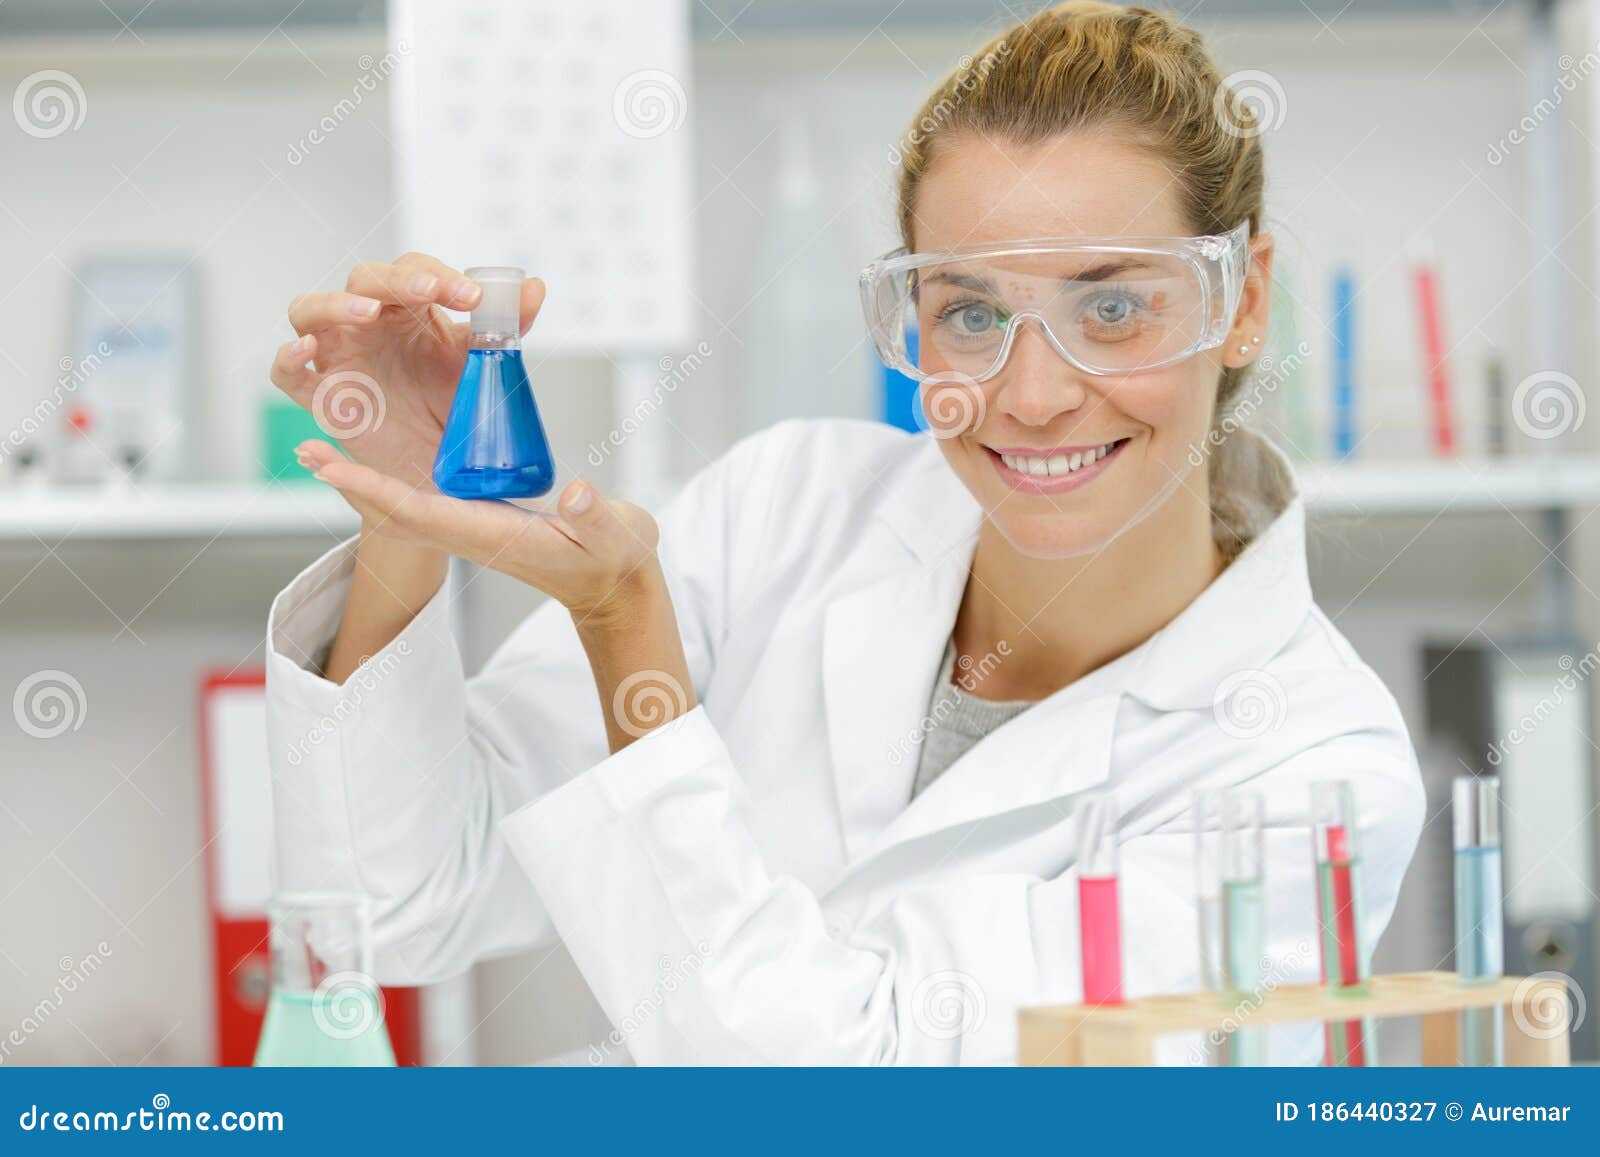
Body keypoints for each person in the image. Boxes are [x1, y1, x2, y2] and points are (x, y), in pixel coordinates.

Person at [264, 1, 1423, 1064]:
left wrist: (625, 625)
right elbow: (395, 903)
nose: (1029, 395)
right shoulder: (787, 509)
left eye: (1111, 306)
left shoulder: (1311, 765)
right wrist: (408, 511)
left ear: (1242, 300)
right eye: (970, 312)